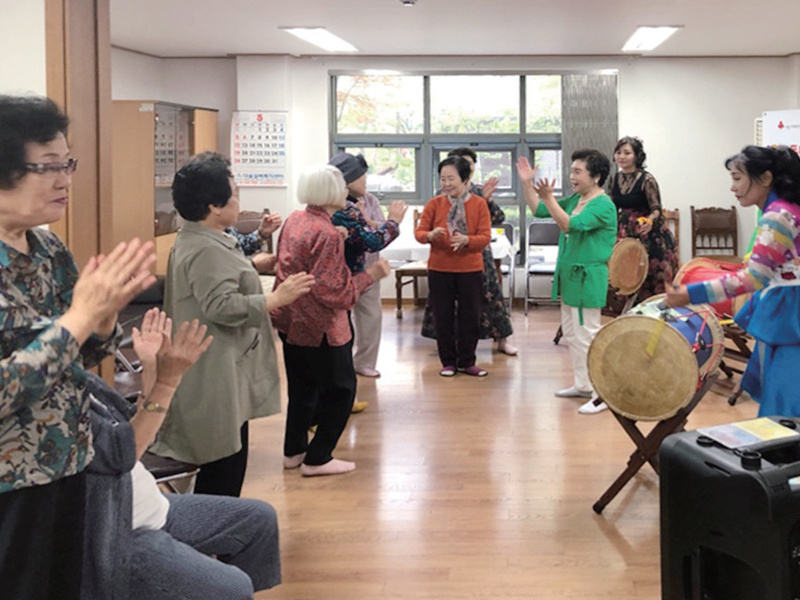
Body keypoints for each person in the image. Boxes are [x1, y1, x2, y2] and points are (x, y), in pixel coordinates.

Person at [0, 95, 157, 599]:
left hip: (68, 465)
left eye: (66, 164)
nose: (65, 179)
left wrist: (104, 318)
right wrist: (81, 317)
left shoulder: (48, 248)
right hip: (10, 484)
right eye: (45, 168)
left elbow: (78, 359)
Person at [82, 308, 281, 600]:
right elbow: (122, 455)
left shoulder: (81, 382)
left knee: (259, 521)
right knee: (232, 587)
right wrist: (167, 382)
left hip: (153, 507)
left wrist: (151, 366)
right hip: (120, 535)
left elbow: (135, 429)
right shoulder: (48, 407)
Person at [150, 152, 314, 497]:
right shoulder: (205, 247)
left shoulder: (206, 237)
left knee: (227, 455)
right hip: (214, 369)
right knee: (223, 466)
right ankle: (216, 540)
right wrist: (276, 298)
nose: (240, 200)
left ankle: (215, 539)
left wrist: (251, 264)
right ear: (214, 205)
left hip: (221, 364)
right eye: (236, 193)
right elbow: (221, 305)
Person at [272, 164, 391, 476]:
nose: (346, 191)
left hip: (291, 319)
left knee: (302, 389)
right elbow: (335, 293)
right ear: (329, 192)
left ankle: (294, 451)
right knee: (341, 390)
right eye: (341, 187)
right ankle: (318, 457)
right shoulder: (326, 233)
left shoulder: (296, 220)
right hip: (321, 325)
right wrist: (371, 275)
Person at [666, 145, 800, 417]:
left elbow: (753, 278)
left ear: (765, 178)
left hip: (790, 310)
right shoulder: (785, 209)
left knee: (786, 413)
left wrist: (689, 294)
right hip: (786, 308)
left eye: (738, 178)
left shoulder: (778, 216)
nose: (732, 187)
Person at [516, 150, 617, 414]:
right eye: (572, 170)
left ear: (595, 176)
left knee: (587, 335)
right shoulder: (577, 199)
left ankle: (601, 393)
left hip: (588, 276)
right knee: (572, 334)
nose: (571, 176)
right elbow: (539, 208)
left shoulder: (602, 204)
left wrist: (548, 198)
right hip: (570, 274)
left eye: (577, 171)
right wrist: (528, 184)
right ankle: (583, 385)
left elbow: (569, 225)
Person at [329, 152, 407, 413]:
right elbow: (374, 238)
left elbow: (372, 229)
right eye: (361, 174)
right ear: (347, 180)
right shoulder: (345, 208)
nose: (366, 179)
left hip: (357, 274)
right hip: (344, 278)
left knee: (350, 331)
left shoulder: (349, 204)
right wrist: (394, 221)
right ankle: (337, 402)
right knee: (339, 337)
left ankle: (346, 392)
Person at [421, 147, 518, 356]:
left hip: (477, 254)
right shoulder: (441, 196)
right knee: (446, 305)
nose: (447, 182)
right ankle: (449, 350)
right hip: (446, 260)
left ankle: (499, 340)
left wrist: (489, 200)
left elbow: (497, 219)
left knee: (487, 297)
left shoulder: (480, 193)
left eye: (470, 163)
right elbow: (423, 230)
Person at [415, 156, 492, 377]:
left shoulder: (479, 204)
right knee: (443, 315)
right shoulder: (434, 203)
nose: (446, 183)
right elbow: (419, 233)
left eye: (451, 178)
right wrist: (430, 235)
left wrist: (468, 240)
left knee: (470, 316)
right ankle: (447, 362)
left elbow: (485, 237)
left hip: (470, 268)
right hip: (440, 268)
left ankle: (467, 361)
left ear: (465, 178)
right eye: (442, 178)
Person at [608, 136, 678, 303]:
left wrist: (649, 221)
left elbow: (656, 209)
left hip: (648, 233)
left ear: (637, 156)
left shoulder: (647, 179)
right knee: (626, 274)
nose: (622, 157)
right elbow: (611, 206)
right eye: (618, 153)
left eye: (627, 153)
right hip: (625, 232)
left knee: (651, 275)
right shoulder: (614, 179)